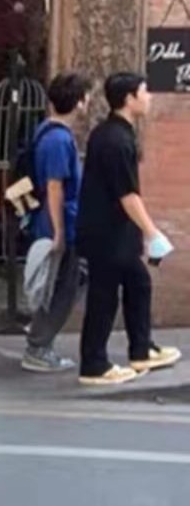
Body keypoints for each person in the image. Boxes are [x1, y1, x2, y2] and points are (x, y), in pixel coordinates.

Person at [77, 72, 181, 387]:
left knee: (138, 283)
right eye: (144, 92)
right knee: (103, 297)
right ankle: (94, 364)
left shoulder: (113, 133)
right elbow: (127, 194)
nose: (149, 98)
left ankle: (141, 349)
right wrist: (152, 232)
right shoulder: (116, 140)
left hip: (114, 231)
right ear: (129, 99)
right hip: (107, 233)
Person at [20, 72, 92, 374]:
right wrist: (59, 231)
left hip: (55, 221)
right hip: (60, 224)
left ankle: (39, 341)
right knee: (60, 288)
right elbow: (54, 187)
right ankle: (38, 347)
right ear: (80, 102)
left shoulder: (46, 133)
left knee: (62, 284)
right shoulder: (59, 140)